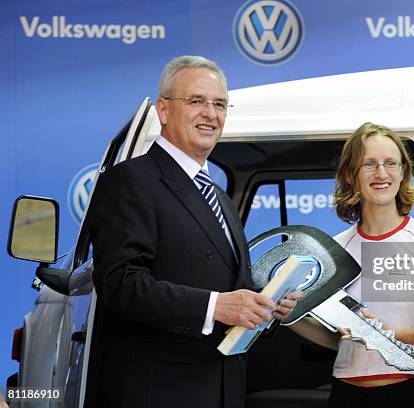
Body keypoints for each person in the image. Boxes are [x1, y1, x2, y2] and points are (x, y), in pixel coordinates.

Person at [86, 56, 300, 408]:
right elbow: (119, 283)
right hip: (160, 391)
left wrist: (265, 304)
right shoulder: (130, 181)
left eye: (219, 104)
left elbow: (226, 284)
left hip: (220, 387)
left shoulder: (219, 197)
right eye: (197, 101)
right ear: (164, 110)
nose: (210, 114)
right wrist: (217, 306)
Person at [293, 122, 414, 408]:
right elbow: (339, 339)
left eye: (390, 163)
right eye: (369, 164)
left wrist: (382, 331)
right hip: (347, 392)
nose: (382, 173)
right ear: (351, 174)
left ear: (403, 173)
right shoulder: (334, 250)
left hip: (412, 390)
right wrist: (289, 316)